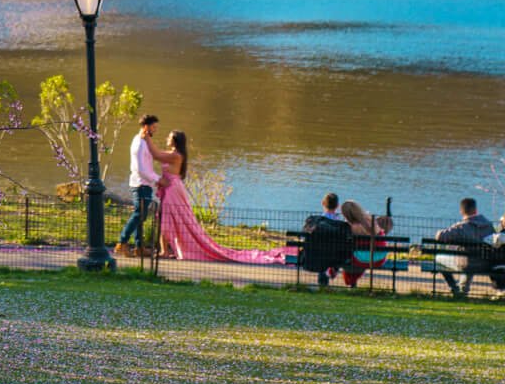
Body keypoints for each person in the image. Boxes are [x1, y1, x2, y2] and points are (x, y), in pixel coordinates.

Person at [153, 130, 288, 265]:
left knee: (167, 220)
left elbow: (156, 155)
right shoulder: (172, 154)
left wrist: (145, 137)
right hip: (169, 188)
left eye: (169, 137)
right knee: (166, 219)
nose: (167, 138)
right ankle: (165, 250)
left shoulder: (176, 156)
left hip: (173, 190)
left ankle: (166, 251)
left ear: (175, 141)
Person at [117, 112, 161, 254]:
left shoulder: (142, 141)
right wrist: (158, 179)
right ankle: (122, 242)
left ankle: (139, 247)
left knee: (140, 216)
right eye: (154, 127)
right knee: (138, 215)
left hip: (144, 184)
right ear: (145, 126)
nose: (156, 130)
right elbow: (141, 169)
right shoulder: (140, 144)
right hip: (141, 184)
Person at [433, 197, 494, 299]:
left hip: (466, 264)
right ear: (476, 210)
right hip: (484, 263)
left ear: (461, 211)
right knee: (469, 260)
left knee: (439, 259)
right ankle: (462, 290)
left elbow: (440, 236)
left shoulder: (462, 227)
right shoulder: (489, 226)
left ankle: (454, 288)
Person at [298, 193, 355, 288]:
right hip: (335, 257)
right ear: (337, 206)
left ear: (323, 203)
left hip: (317, 255)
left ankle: (323, 284)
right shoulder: (341, 224)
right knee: (334, 252)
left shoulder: (314, 222)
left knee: (323, 254)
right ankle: (332, 271)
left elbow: (303, 237)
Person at [339, 199, 389, 288]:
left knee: (349, 257)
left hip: (361, 259)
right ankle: (351, 282)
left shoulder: (350, 227)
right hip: (379, 258)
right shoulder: (372, 221)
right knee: (359, 257)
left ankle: (350, 282)